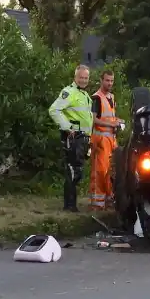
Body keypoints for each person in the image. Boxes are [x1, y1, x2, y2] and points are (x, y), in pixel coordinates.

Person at [48, 65, 94, 212]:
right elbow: (54, 110)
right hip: (73, 137)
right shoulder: (69, 92)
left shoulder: (85, 95)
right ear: (75, 77)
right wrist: (67, 127)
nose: (84, 80)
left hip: (83, 138)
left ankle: (71, 204)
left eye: (86, 78)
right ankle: (69, 206)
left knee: (77, 170)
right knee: (73, 170)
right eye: (81, 77)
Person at [88, 69, 121, 211]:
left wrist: (118, 122)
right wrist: (111, 124)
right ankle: (97, 203)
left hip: (112, 139)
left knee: (111, 171)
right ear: (101, 80)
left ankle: (109, 199)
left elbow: (110, 117)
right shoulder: (96, 98)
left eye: (112, 81)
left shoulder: (112, 97)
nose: (109, 83)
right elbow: (93, 119)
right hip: (100, 139)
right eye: (107, 80)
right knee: (100, 171)